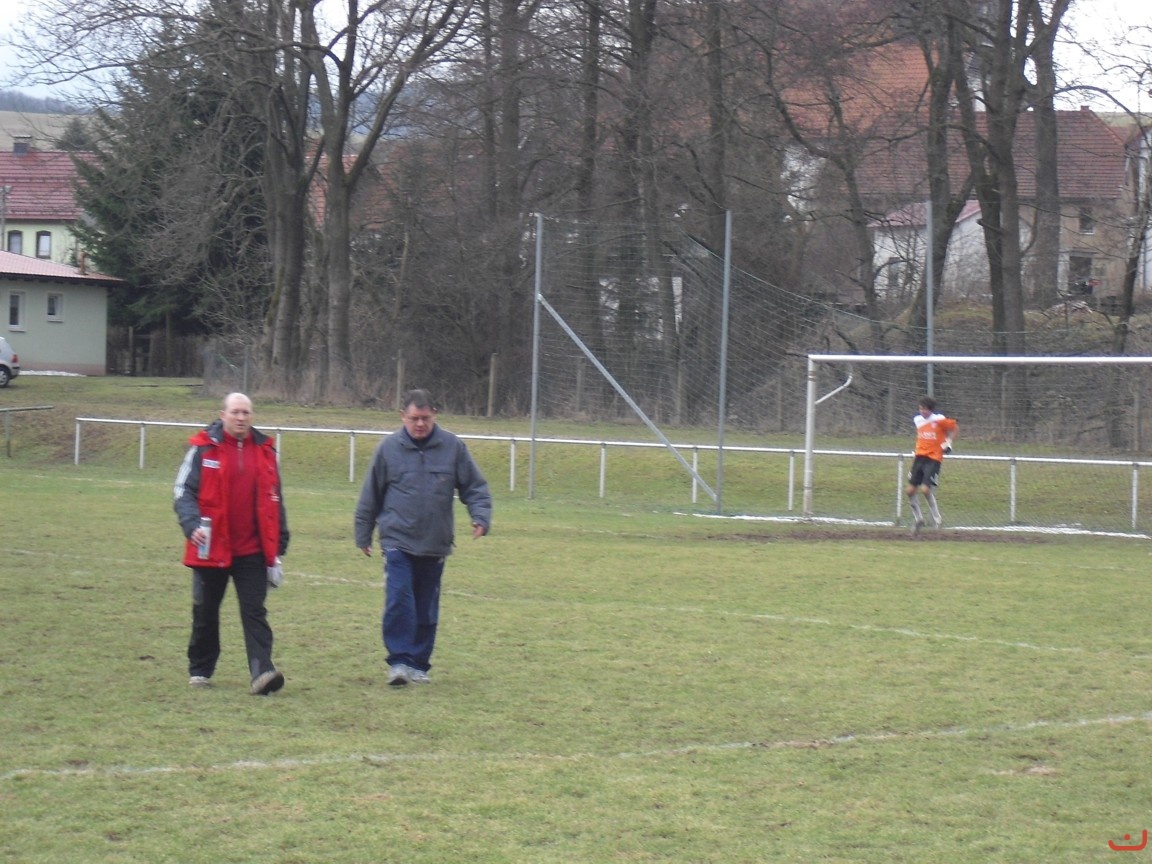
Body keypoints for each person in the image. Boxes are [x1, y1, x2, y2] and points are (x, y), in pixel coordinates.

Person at [355, 388, 492, 686]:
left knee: (426, 606)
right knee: (399, 599)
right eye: (414, 418)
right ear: (402, 416)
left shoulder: (453, 447)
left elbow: (475, 487)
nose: (420, 424)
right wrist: (363, 532)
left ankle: (418, 664)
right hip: (397, 540)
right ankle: (399, 661)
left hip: (435, 541)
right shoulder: (387, 449)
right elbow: (370, 494)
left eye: (425, 418)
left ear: (435, 416)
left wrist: (481, 516)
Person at [174, 392, 290, 695]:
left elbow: (275, 499)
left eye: (246, 412)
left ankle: (262, 672)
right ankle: (200, 669)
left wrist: (279, 544)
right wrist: (191, 525)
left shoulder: (266, 452)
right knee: (206, 611)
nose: (241, 417)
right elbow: (183, 492)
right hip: (210, 549)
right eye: (236, 412)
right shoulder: (202, 449)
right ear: (223, 414)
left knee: (255, 612)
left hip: (252, 551)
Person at [907, 395, 958, 534]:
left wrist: (948, 443)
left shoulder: (939, 419)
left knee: (925, 489)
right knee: (910, 491)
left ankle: (937, 519)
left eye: (925, 409)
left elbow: (954, 428)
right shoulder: (917, 420)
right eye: (920, 408)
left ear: (931, 410)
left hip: (933, 459)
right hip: (919, 458)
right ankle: (918, 520)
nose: (922, 411)